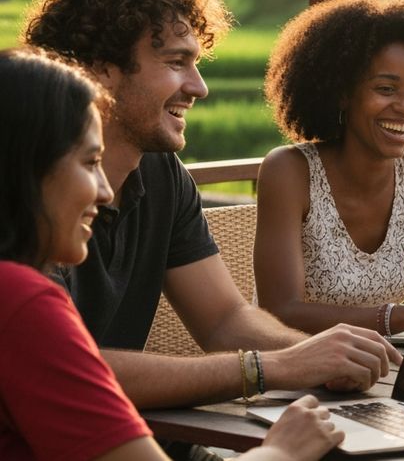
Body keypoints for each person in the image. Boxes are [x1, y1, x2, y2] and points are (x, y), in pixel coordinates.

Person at [21, 0, 402, 411]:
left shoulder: (161, 174)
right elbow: (61, 368)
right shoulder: (26, 188)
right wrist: (270, 369)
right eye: (176, 62)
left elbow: (224, 320)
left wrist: (327, 357)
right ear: (102, 72)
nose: (198, 87)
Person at [0, 49, 343, 460]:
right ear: (26, 167)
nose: (105, 190)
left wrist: (316, 359)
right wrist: (285, 450)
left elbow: (225, 318)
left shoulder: (162, 176)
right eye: (90, 161)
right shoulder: (19, 301)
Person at [255, 0, 404, 335]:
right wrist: (397, 318)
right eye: (386, 89)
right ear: (343, 92)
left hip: (381, 367)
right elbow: (280, 311)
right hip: (295, 372)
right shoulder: (289, 171)